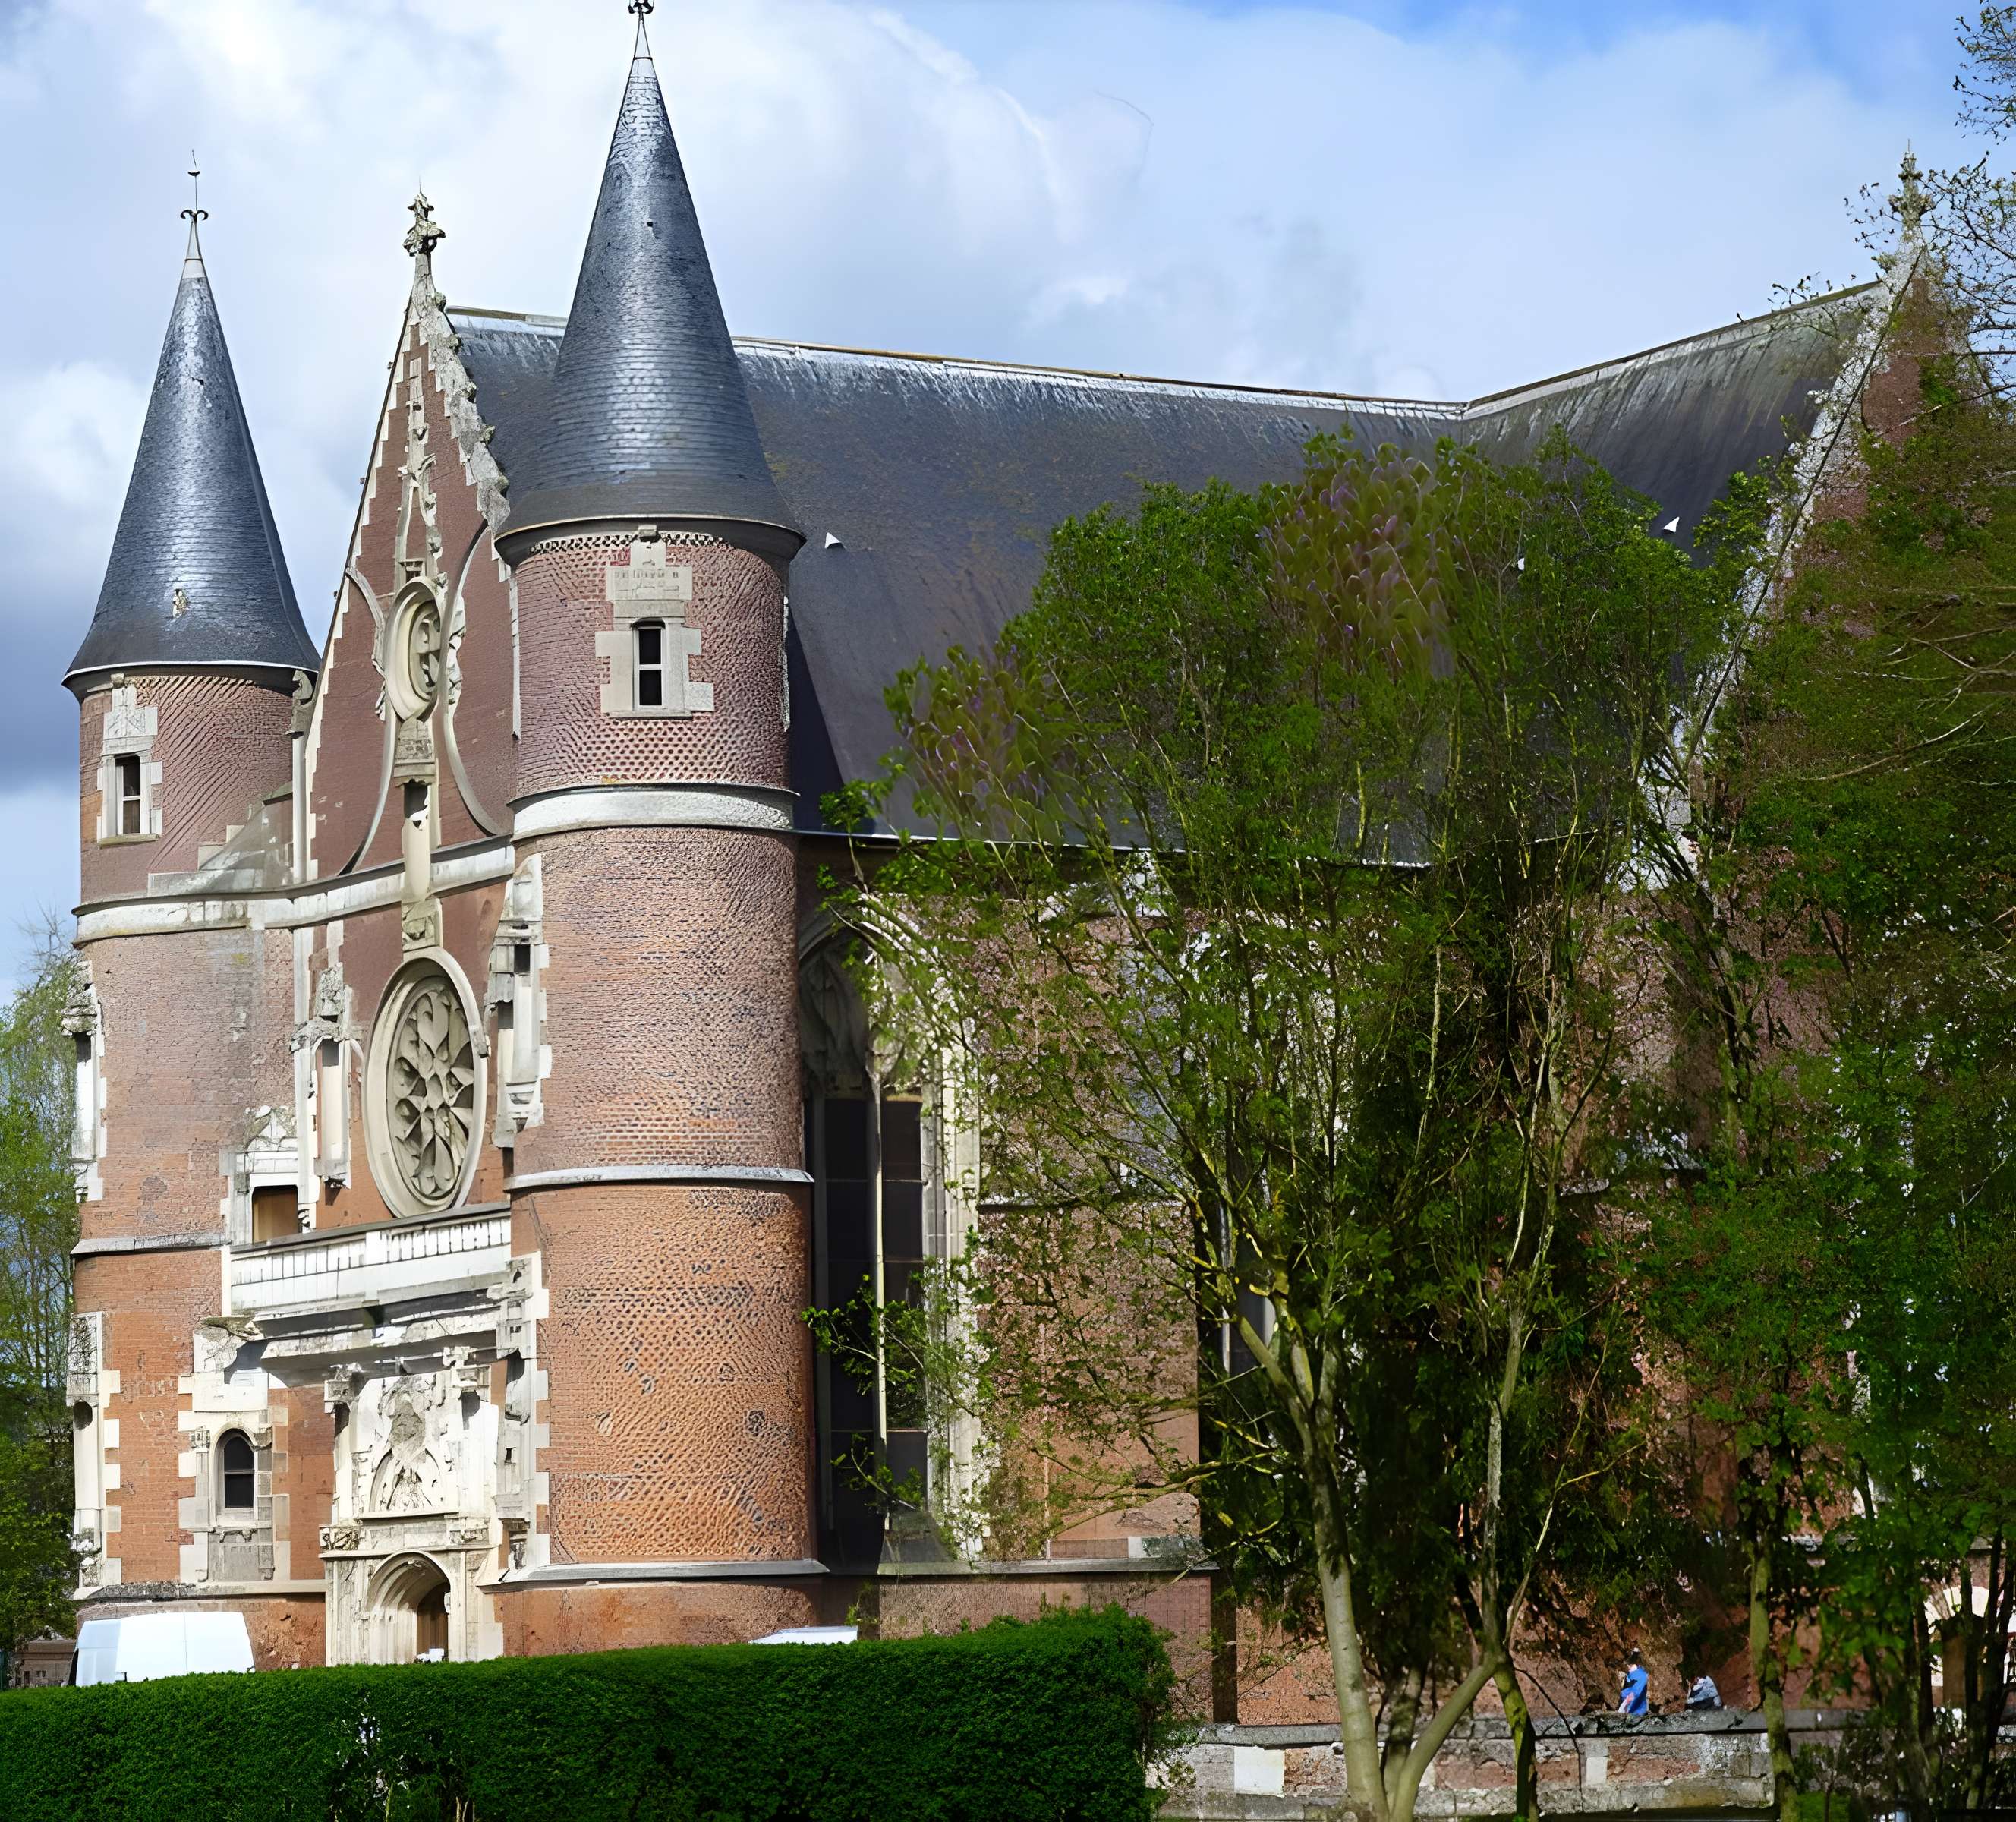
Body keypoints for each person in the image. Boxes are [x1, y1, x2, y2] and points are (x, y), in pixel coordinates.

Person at [1618, 1649, 1649, 1716]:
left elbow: (1630, 1679)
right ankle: (1635, 1654)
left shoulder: (1635, 1674)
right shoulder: (1638, 1673)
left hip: (1637, 1688)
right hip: (1638, 1687)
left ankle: (1635, 1654)